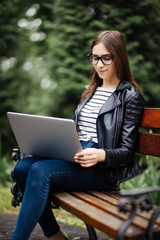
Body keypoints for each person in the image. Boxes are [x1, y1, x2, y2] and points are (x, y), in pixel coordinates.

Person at [11, 30, 145, 240]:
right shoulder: (91, 90)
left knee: (39, 170)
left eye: (106, 58)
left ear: (118, 57)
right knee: (21, 168)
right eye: (95, 58)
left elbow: (127, 152)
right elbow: (79, 130)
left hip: (101, 170)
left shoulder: (130, 96)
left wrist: (101, 154)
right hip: (76, 155)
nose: (99, 64)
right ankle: (55, 235)